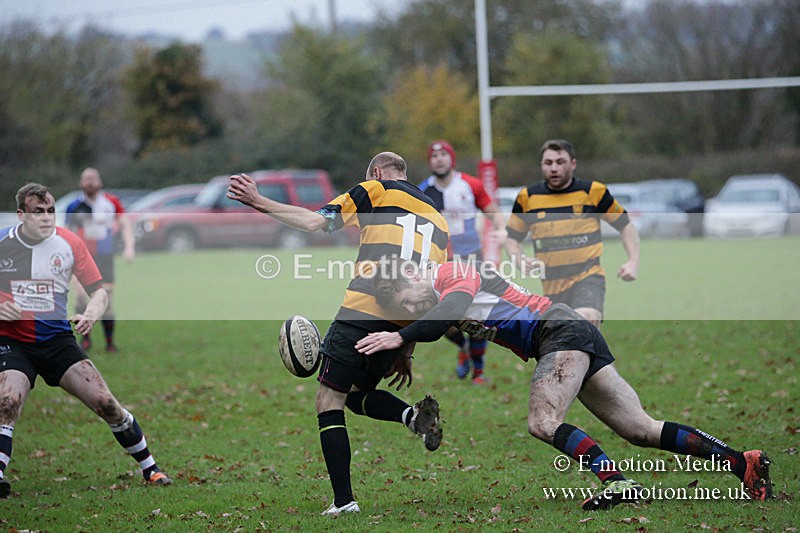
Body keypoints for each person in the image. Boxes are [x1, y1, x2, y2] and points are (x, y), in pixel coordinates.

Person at [355, 257, 773, 510]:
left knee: (542, 420)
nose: (412, 308)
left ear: (413, 274)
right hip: (564, 332)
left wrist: (401, 337)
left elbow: (451, 308)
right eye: (404, 310)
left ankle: (618, 483)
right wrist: (407, 348)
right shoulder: (433, 293)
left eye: (409, 299)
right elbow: (436, 317)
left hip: (556, 331)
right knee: (640, 429)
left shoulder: (450, 272)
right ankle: (743, 462)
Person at [227, 152, 451, 516]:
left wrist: (257, 201)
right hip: (399, 325)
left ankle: (344, 502)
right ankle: (411, 417)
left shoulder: (375, 189)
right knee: (356, 394)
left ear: (376, 172)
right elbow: (427, 292)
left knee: (328, 401)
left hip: (362, 312)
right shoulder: (438, 219)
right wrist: (406, 346)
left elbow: (318, 223)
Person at [0, 183, 171, 499]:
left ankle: (150, 467)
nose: (47, 218)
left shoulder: (68, 243)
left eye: (51, 210)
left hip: (57, 342)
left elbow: (99, 291)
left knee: (107, 403)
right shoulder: (3, 243)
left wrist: (92, 313)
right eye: (38, 212)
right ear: (21, 215)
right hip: (13, 343)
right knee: (8, 402)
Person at [505, 139, 640, 327]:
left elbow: (625, 224)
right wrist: (518, 259)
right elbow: (512, 239)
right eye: (548, 163)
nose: (553, 168)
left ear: (573, 164)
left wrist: (633, 261)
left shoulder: (593, 192)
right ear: (541, 165)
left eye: (560, 162)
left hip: (588, 276)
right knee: (563, 346)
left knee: (585, 319)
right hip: (552, 286)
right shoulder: (528, 197)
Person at [419, 140, 506, 384]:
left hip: (471, 259)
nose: (439, 159)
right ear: (429, 161)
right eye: (433, 155)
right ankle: (463, 347)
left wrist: (500, 230)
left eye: (443, 154)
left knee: (477, 314)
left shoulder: (470, 184)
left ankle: (478, 373)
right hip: (440, 263)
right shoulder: (423, 191)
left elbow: (494, 212)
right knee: (436, 316)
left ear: (452, 158)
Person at [65, 167, 135, 352]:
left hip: (105, 258)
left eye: (93, 179)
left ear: (100, 182)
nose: (90, 182)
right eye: (86, 179)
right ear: (81, 183)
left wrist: (129, 248)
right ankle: (85, 339)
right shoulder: (74, 207)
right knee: (80, 298)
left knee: (107, 300)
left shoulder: (111, 202)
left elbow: (125, 223)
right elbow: (66, 234)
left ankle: (110, 342)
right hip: (82, 259)